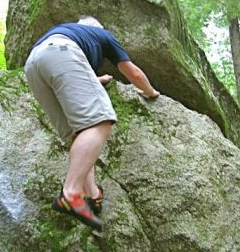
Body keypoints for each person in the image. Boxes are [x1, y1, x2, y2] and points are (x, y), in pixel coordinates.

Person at [24, 16, 159, 232]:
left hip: (33, 64)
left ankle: (92, 194)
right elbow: (131, 71)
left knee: (78, 135)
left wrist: (98, 79)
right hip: (61, 52)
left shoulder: (71, 32)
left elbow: (70, 77)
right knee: (101, 121)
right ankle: (71, 193)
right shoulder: (103, 35)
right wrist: (150, 91)